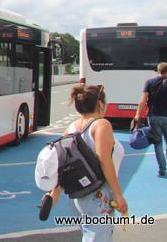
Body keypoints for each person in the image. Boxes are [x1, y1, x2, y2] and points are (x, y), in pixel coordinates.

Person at [48, 85, 127, 241]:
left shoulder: (71, 128)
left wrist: (54, 194)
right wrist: (118, 195)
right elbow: (104, 161)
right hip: (98, 195)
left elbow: (63, 163)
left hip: (78, 195)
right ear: (100, 104)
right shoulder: (102, 125)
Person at [134, 62, 167, 176]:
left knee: (157, 143)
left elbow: (143, 100)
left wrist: (138, 114)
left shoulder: (149, 82)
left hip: (153, 116)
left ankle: (162, 169)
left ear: (158, 70)